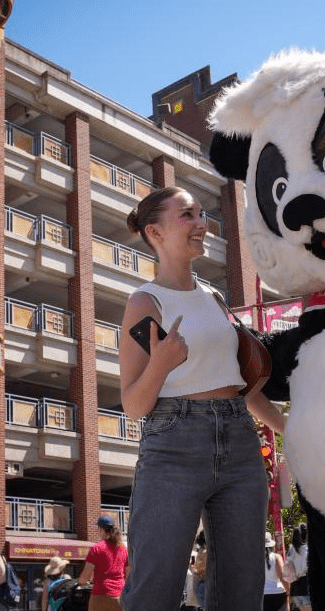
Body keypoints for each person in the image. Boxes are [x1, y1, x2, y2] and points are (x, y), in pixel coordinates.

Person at [118, 186, 285, 611]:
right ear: (155, 231)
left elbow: (240, 386)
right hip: (173, 444)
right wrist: (161, 364)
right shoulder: (144, 302)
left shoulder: (213, 297)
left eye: (201, 215)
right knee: (154, 586)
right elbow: (134, 404)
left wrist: (292, 429)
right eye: (188, 216)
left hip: (240, 443)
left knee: (242, 588)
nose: (201, 224)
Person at [77, 516, 126, 611]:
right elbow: (128, 573)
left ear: (100, 529)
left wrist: (81, 582)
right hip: (119, 596)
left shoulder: (97, 548)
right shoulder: (123, 548)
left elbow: (86, 575)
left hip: (101, 594)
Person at [284, 525, 310, 611]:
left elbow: (288, 563)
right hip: (306, 587)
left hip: (295, 589)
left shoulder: (292, 549)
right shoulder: (307, 549)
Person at [262, 532, 288, 611]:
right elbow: (283, 576)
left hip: (262, 594)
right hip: (277, 592)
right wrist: (288, 592)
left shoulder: (254, 558)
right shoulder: (277, 557)